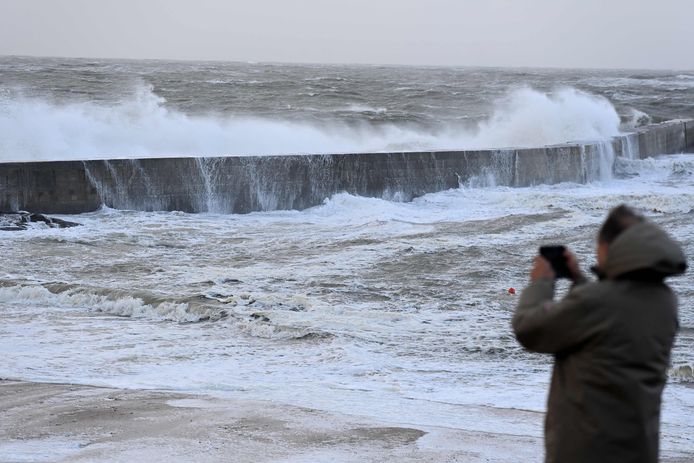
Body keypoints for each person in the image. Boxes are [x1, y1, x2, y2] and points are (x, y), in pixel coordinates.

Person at [512, 205, 687, 463]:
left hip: (589, 449)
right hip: (639, 448)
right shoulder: (665, 300)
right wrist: (579, 280)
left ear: (611, 248)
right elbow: (606, 322)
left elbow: (529, 328)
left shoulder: (597, 301)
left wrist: (541, 282)